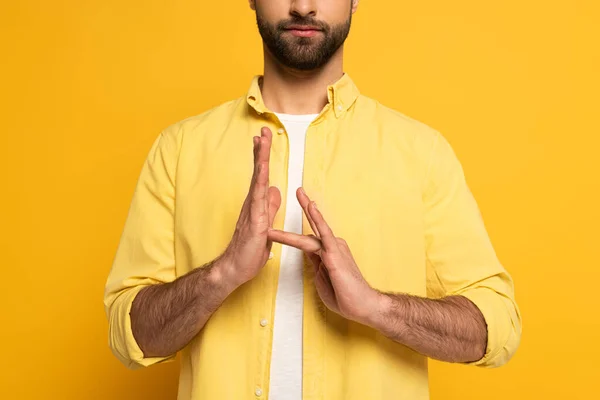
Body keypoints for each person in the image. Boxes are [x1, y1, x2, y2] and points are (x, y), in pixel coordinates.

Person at [103, 0, 522, 399]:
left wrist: (377, 307)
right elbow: (130, 338)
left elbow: (497, 328)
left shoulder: (421, 152)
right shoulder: (179, 150)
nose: (303, 6)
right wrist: (223, 274)